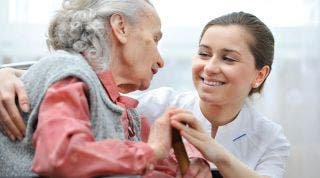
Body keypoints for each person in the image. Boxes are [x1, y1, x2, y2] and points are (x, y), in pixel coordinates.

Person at [0, 11, 290, 178]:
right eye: (203, 53)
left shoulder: (272, 138)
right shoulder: (156, 105)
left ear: (259, 75)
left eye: (229, 59)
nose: (210, 67)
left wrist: (204, 162)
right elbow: (55, 76)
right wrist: (3, 73)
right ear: (120, 29)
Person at [0, 0, 211, 177]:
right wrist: (149, 151)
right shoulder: (69, 73)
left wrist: (190, 162)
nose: (160, 60)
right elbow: (61, 155)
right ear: (121, 27)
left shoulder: (123, 110)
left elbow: (136, 159)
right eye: (155, 39)